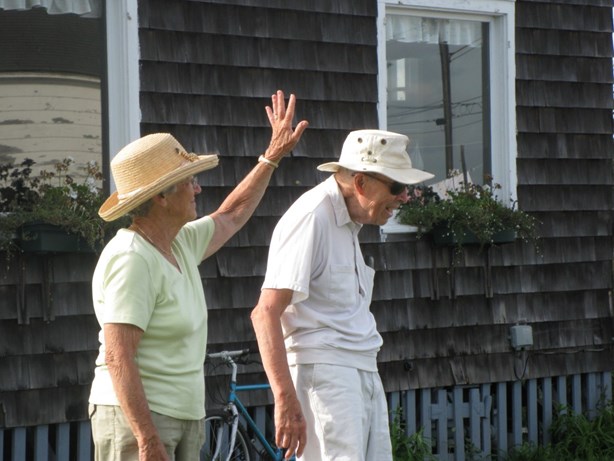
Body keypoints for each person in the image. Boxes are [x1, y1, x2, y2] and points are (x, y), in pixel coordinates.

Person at [88, 90, 308, 461]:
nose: (198, 187)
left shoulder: (180, 242)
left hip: (182, 417)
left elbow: (232, 214)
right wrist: (147, 439)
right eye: (189, 180)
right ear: (160, 196)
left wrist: (271, 158)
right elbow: (118, 356)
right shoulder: (132, 258)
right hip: (139, 422)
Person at [251, 129, 434, 460]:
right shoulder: (312, 217)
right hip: (326, 375)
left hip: (359, 368)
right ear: (361, 183)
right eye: (397, 186)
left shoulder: (350, 220)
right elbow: (265, 312)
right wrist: (285, 398)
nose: (405, 197)